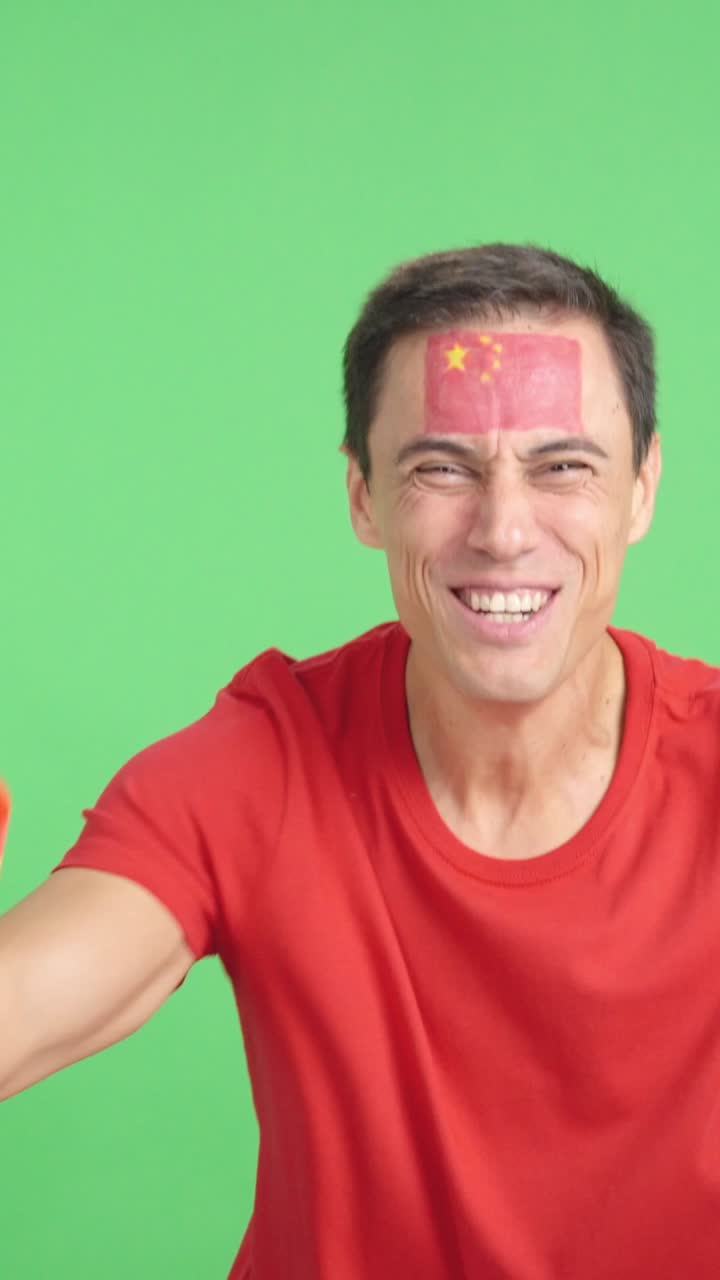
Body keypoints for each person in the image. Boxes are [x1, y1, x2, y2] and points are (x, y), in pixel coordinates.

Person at [1, 242, 718, 1279]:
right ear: (363, 496)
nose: (505, 528)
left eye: (564, 466)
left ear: (642, 490)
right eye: (442, 468)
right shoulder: (265, 765)